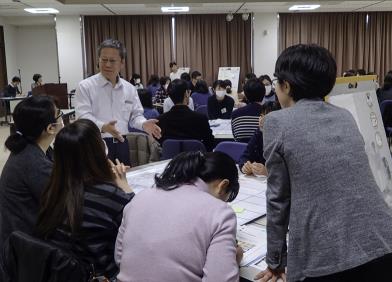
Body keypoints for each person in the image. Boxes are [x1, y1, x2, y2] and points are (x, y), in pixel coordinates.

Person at [255, 44, 392, 282]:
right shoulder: (344, 116)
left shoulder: (277, 122)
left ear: (287, 85)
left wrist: (275, 261)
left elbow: (278, 199)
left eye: (276, 82)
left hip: (329, 259)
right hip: (387, 243)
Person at [115, 151, 242, 281]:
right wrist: (233, 260)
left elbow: (120, 258)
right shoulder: (220, 212)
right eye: (225, 198)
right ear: (223, 186)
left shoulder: (140, 197)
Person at [36, 119, 134, 279]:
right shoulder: (110, 196)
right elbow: (141, 225)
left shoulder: (52, 190)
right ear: (98, 150)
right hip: (102, 275)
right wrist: (125, 187)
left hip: (61, 273)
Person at [75, 38, 161, 166]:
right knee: (97, 183)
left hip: (122, 143)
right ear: (98, 61)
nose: (107, 65)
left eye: (112, 61)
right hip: (95, 144)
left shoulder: (129, 88)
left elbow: (135, 115)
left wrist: (143, 124)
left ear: (122, 63)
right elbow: (83, 117)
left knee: (122, 181)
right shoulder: (86, 86)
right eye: (104, 60)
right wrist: (104, 127)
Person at [0, 96, 63, 252]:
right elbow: (64, 201)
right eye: (59, 114)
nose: (63, 118)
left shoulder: (34, 147)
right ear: (50, 128)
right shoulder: (33, 162)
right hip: (25, 249)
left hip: (25, 235)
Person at [157, 79, 215, 150]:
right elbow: (210, 144)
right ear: (186, 94)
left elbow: (160, 144)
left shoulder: (161, 120)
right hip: (195, 159)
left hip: (170, 160)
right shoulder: (200, 118)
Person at [239, 101, 280, 177]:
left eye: (266, 117)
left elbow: (289, 171)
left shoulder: (282, 138)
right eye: (261, 116)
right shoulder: (259, 133)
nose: (261, 120)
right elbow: (245, 156)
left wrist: (268, 172)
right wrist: (245, 167)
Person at [231, 78, 265, 142]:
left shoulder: (235, 114)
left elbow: (235, 137)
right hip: (263, 151)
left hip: (240, 151)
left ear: (246, 96)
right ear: (264, 93)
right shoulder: (268, 114)